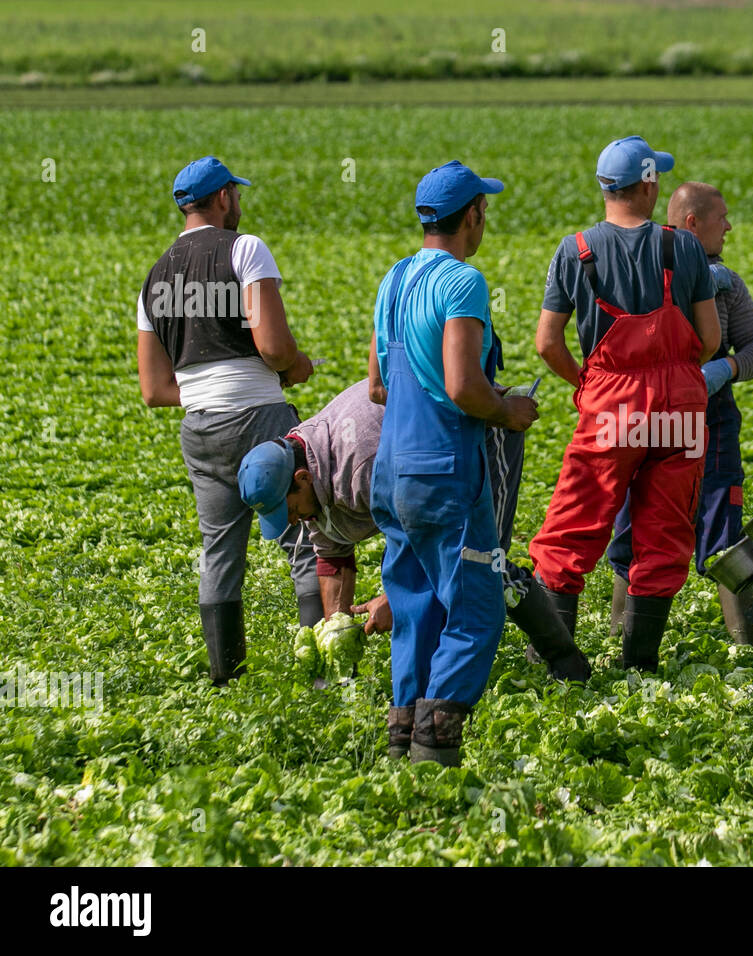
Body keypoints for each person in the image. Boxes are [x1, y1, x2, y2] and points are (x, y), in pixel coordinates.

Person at [237, 379, 589, 708]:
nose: (295, 521)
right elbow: (332, 554)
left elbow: (419, 540)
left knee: (480, 561)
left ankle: (564, 660)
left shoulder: (359, 467)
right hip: (425, 456)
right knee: (457, 570)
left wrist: (394, 599)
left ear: (301, 479)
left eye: (291, 511)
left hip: (476, 429)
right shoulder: (306, 462)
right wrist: (337, 634)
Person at [367, 160, 539, 766]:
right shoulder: (462, 282)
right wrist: (508, 410)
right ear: (473, 216)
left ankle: (401, 748)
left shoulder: (394, 279)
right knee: (475, 608)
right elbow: (466, 386)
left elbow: (379, 387)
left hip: (391, 472)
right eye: (483, 211)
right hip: (445, 468)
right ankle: (435, 755)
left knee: (415, 609)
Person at [529, 136, 721, 671]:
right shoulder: (680, 247)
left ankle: (553, 663)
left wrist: (588, 380)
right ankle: (639, 664)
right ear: (649, 183)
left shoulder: (576, 250)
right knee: (664, 532)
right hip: (680, 404)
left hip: (612, 403)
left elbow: (547, 342)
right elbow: (707, 339)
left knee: (574, 525)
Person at [135, 155, 319, 686]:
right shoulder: (245, 248)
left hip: (200, 428)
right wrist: (297, 367)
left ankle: (226, 679)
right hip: (260, 417)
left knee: (219, 554)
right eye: (235, 195)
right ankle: (319, 675)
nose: (238, 204)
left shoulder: (154, 277)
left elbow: (154, 390)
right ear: (222, 198)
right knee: (305, 538)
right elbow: (274, 346)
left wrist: (207, 390)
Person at [604, 182, 753, 645]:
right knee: (634, 528)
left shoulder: (727, 282)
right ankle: (624, 638)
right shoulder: (638, 267)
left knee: (722, 526)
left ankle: (744, 643)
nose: (730, 226)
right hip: (648, 417)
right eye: (722, 218)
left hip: (710, 421)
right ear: (694, 223)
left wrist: (726, 368)